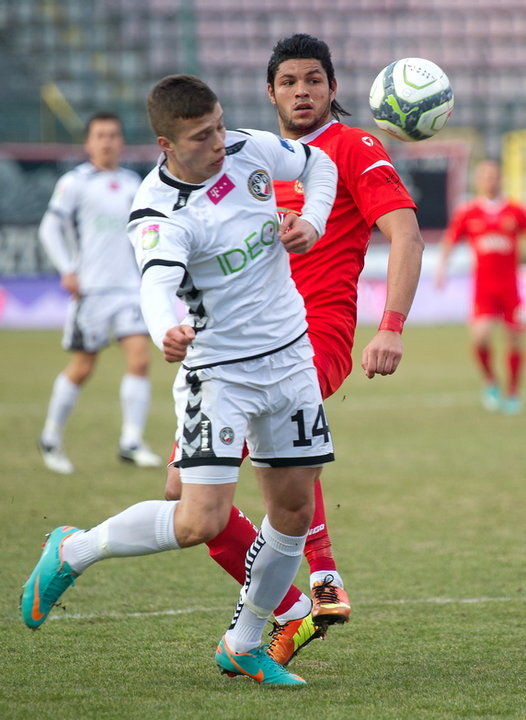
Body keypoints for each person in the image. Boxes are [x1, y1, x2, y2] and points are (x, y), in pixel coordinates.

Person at [21, 74, 339, 686]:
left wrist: (314, 222)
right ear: (167, 144)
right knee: (199, 521)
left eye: (220, 125)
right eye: (203, 135)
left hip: (291, 357)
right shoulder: (158, 212)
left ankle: (244, 644)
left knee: (294, 512)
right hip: (218, 373)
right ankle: (72, 549)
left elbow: (318, 163)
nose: (220, 141)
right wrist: (168, 328)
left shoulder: (246, 148)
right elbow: (156, 284)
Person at [163, 33, 425, 666]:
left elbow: (407, 235)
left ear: (334, 90)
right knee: (181, 492)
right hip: (240, 338)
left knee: (256, 469)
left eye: (314, 80)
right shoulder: (256, 156)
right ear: (271, 93)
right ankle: (298, 602)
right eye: (288, 82)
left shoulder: (355, 146)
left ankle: (307, 589)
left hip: (316, 333)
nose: (301, 91)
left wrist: (390, 325)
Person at [38, 111, 161, 473]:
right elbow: (50, 228)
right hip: (91, 291)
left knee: (140, 360)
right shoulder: (75, 182)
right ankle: (50, 435)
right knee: (83, 367)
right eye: (100, 135)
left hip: (128, 289)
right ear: (88, 143)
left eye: (113, 135)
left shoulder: (131, 183)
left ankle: (131, 441)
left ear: (121, 141)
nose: (107, 141)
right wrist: (67, 269)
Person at [435, 158, 525, 414]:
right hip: (483, 288)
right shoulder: (469, 212)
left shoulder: (514, 211)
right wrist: (442, 267)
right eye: (485, 175)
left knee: (515, 339)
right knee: (481, 337)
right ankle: (490, 380)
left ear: (501, 179)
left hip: (510, 287)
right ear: (477, 180)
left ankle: (513, 392)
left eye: (493, 175)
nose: (489, 179)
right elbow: (450, 239)